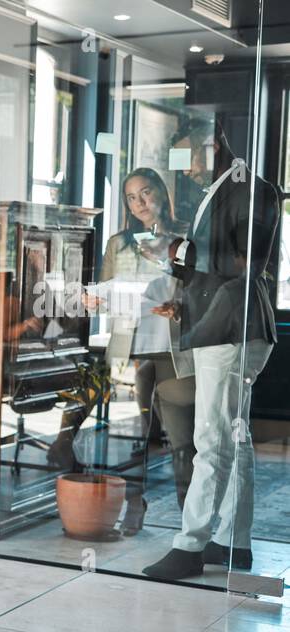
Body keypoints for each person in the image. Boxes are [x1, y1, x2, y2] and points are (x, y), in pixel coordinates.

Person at [142, 117, 280, 580]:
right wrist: (179, 281)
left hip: (233, 331)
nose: (185, 168)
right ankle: (231, 542)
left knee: (212, 440)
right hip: (220, 328)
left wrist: (177, 251)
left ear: (216, 143)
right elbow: (217, 267)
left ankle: (190, 545)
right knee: (232, 441)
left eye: (190, 155)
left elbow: (246, 264)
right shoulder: (220, 190)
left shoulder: (253, 189)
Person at [79, 167, 196, 531]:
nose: (141, 203)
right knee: (135, 435)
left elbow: (201, 292)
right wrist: (94, 301)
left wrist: (181, 307)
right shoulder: (118, 243)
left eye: (146, 193)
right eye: (132, 197)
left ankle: (192, 523)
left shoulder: (186, 237)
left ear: (161, 192)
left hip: (173, 349)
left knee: (181, 439)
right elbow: (105, 290)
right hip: (130, 349)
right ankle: (134, 503)